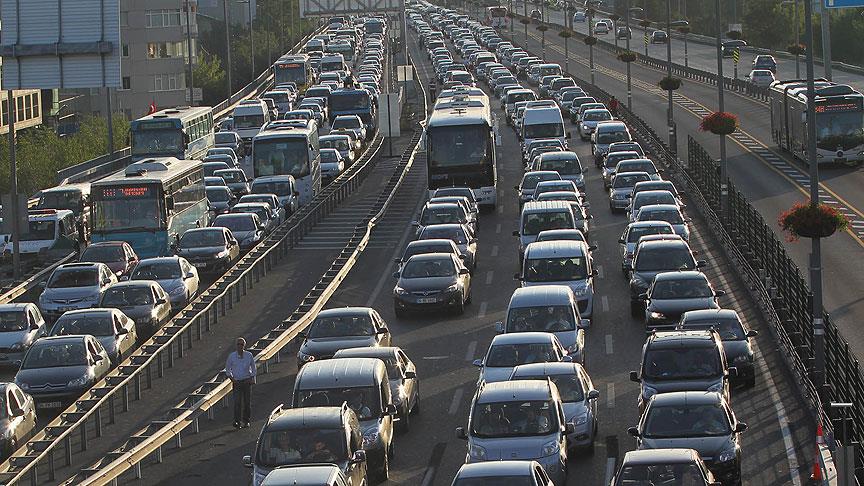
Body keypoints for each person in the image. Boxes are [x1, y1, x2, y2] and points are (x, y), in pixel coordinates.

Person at [225, 337, 257, 428]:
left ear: (244, 346)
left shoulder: (249, 355)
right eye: (238, 344)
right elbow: (227, 369)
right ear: (236, 345)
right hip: (237, 382)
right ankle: (237, 421)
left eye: (241, 344)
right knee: (237, 403)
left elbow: (254, 367)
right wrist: (232, 379)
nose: (240, 346)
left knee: (247, 403)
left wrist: (252, 377)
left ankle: (246, 421)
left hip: (247, 381)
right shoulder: (232, 356)